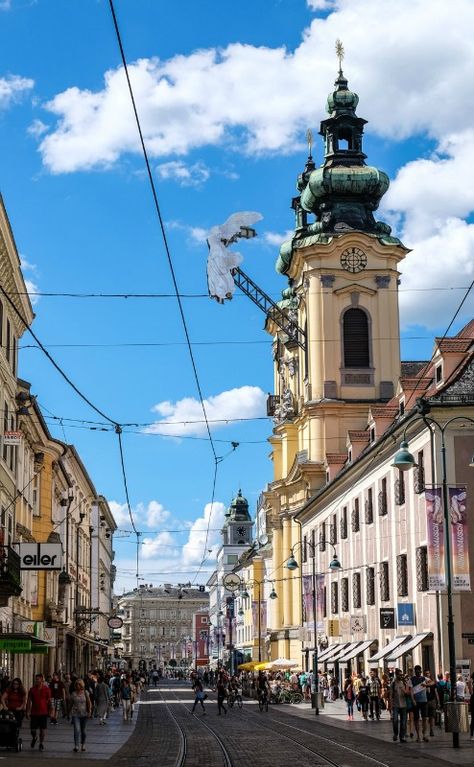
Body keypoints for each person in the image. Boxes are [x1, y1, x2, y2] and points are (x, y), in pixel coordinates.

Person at [26, 673, 53, 751]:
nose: (36, 680)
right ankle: (34, 737)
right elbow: (29, 701)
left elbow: (50, 701)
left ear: (42, 679)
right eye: (36, 679)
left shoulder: (46, 689)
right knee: (33, 730)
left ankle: (41, 744)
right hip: (34, 712)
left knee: (42, 730)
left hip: (43, 713)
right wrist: (27, 711)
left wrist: (51, 711)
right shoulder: (32, 689)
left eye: (37, 679)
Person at [70, 678, 92, 753]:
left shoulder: (85, 692)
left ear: (82, 685)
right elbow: (70, 704)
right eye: (76, 684)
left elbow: (89, 702)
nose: (78, 686)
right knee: (77, 729)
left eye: (79, 684)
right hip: (75, 714)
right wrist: (67, 713)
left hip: (84, 714)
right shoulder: (73, 694)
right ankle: (76, 745)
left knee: (83, 731)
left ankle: (83, 744)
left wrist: (89, 712)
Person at [411, 665, 429, 742]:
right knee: (416, 719)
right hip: (416, 701)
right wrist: (413, 700)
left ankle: (424, 734)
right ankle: (418, 736)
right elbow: (411, 690)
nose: (418, 672)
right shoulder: (411, 679)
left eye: (419, 670)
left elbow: (433, 682)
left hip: (424, 701)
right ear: (415, 671)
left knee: (425, 718)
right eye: (417, 671)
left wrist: (426, 685)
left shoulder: (424, 678)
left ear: (421, 671)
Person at [390, 668, 408, 742]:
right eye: (399, 675)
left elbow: (408, 693)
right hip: (395, 705)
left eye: (401, 675)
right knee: (395, 720)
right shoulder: (393, 683)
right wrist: (390, 705)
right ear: (396, 675)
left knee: (403, 722)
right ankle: (395, 733)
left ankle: (402, 737)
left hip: (404, 705)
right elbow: (391, 695)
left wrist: (405, 686)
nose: (401, 676)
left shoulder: (404, 683)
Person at [424, 670, 438, 736]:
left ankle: (431, 730)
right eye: (426, 673)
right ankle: (426, 731)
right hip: (425, 701)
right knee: (426, 717)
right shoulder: (423, 682)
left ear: (430, 674)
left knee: (431, 717)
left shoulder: (433, 682)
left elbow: (435, 692)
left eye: (428, 673)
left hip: (432, 700)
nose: (427, 674)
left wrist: (438, 701)